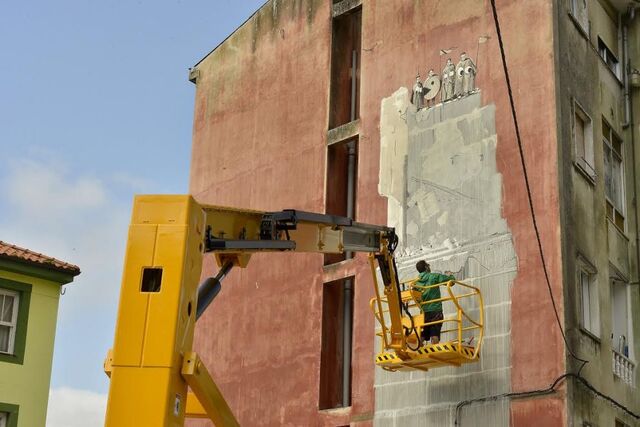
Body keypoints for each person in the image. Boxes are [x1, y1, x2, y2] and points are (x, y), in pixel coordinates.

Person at [414, 260, 455, 345]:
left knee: (422, 333)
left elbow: (415, 297)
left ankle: (417, 350)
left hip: (424, 312)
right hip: (435, 310)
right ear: (426, 267)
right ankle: (434, 349)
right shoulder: (433, 277)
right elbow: (451, 282)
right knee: (434, 333)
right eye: (428, 266)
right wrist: (451, 275)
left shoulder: (415, 283)